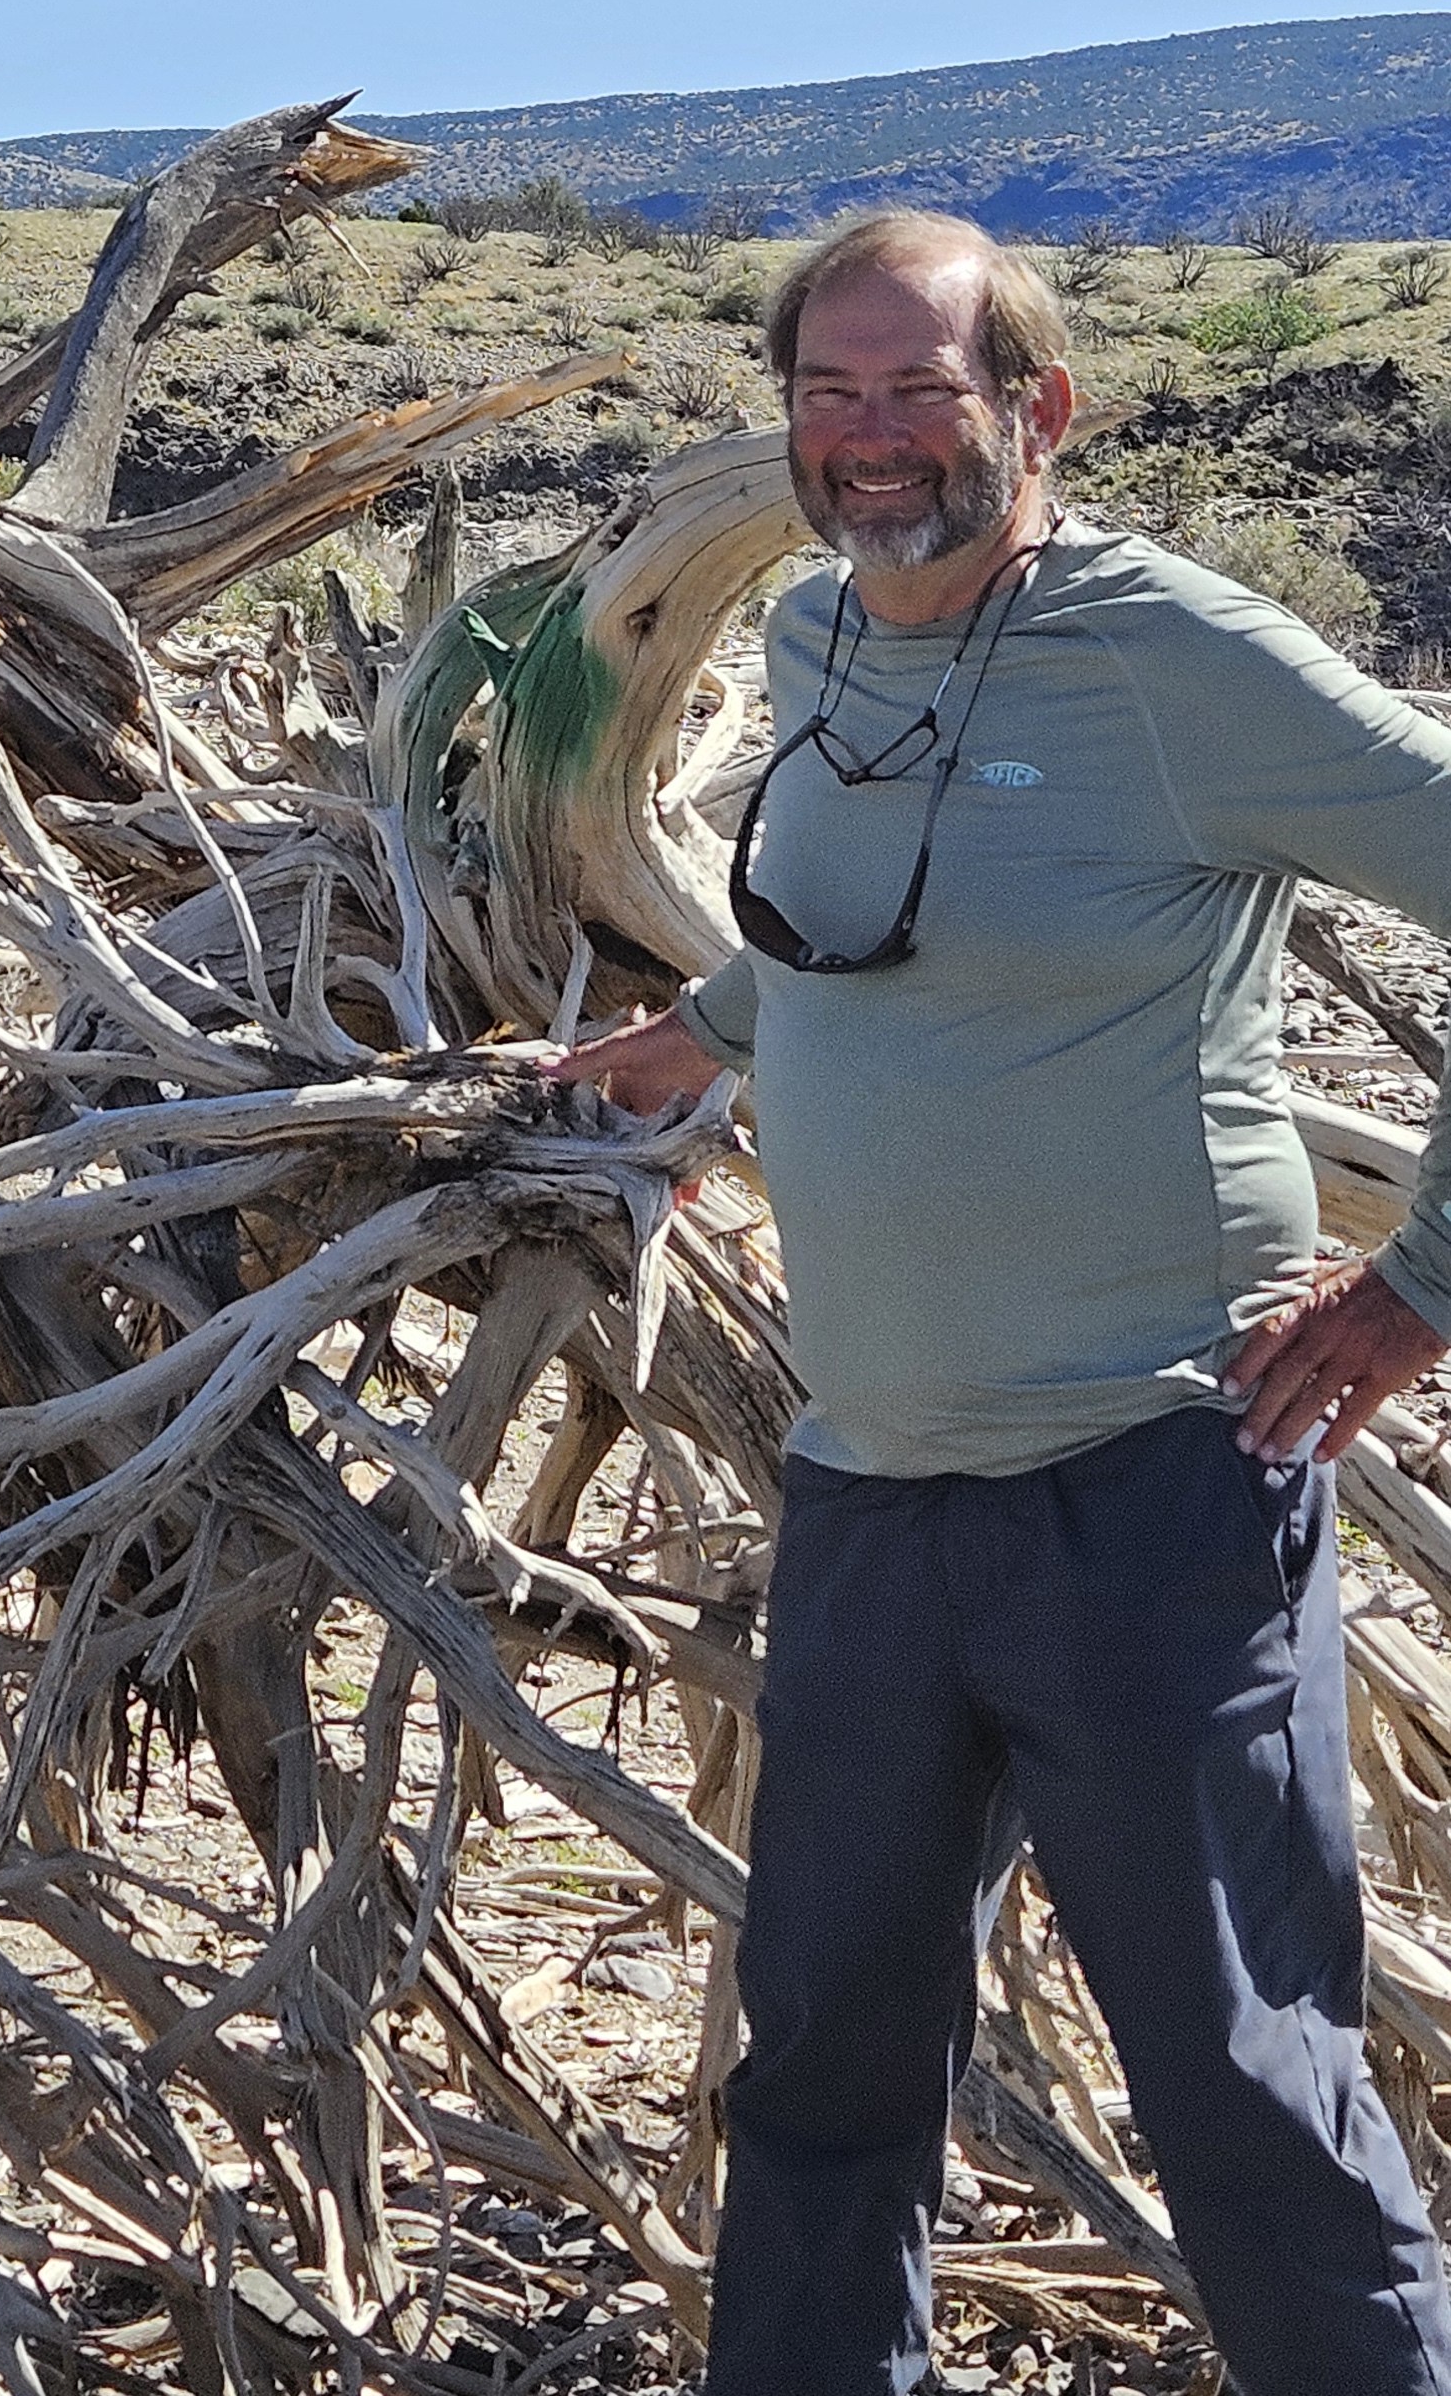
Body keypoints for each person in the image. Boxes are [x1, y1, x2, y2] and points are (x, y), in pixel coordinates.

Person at [557, 204, 1451, 2395]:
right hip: (870, 1486)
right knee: (823, 2085)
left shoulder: (1177, 661)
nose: (869, 440)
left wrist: (1426, 1287)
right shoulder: (820, 636)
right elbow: (873, 902)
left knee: (1250, 2092)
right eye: (827, 393)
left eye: (918, 389)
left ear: (1034, 406)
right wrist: (715, 1022)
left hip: (1148, 1479)